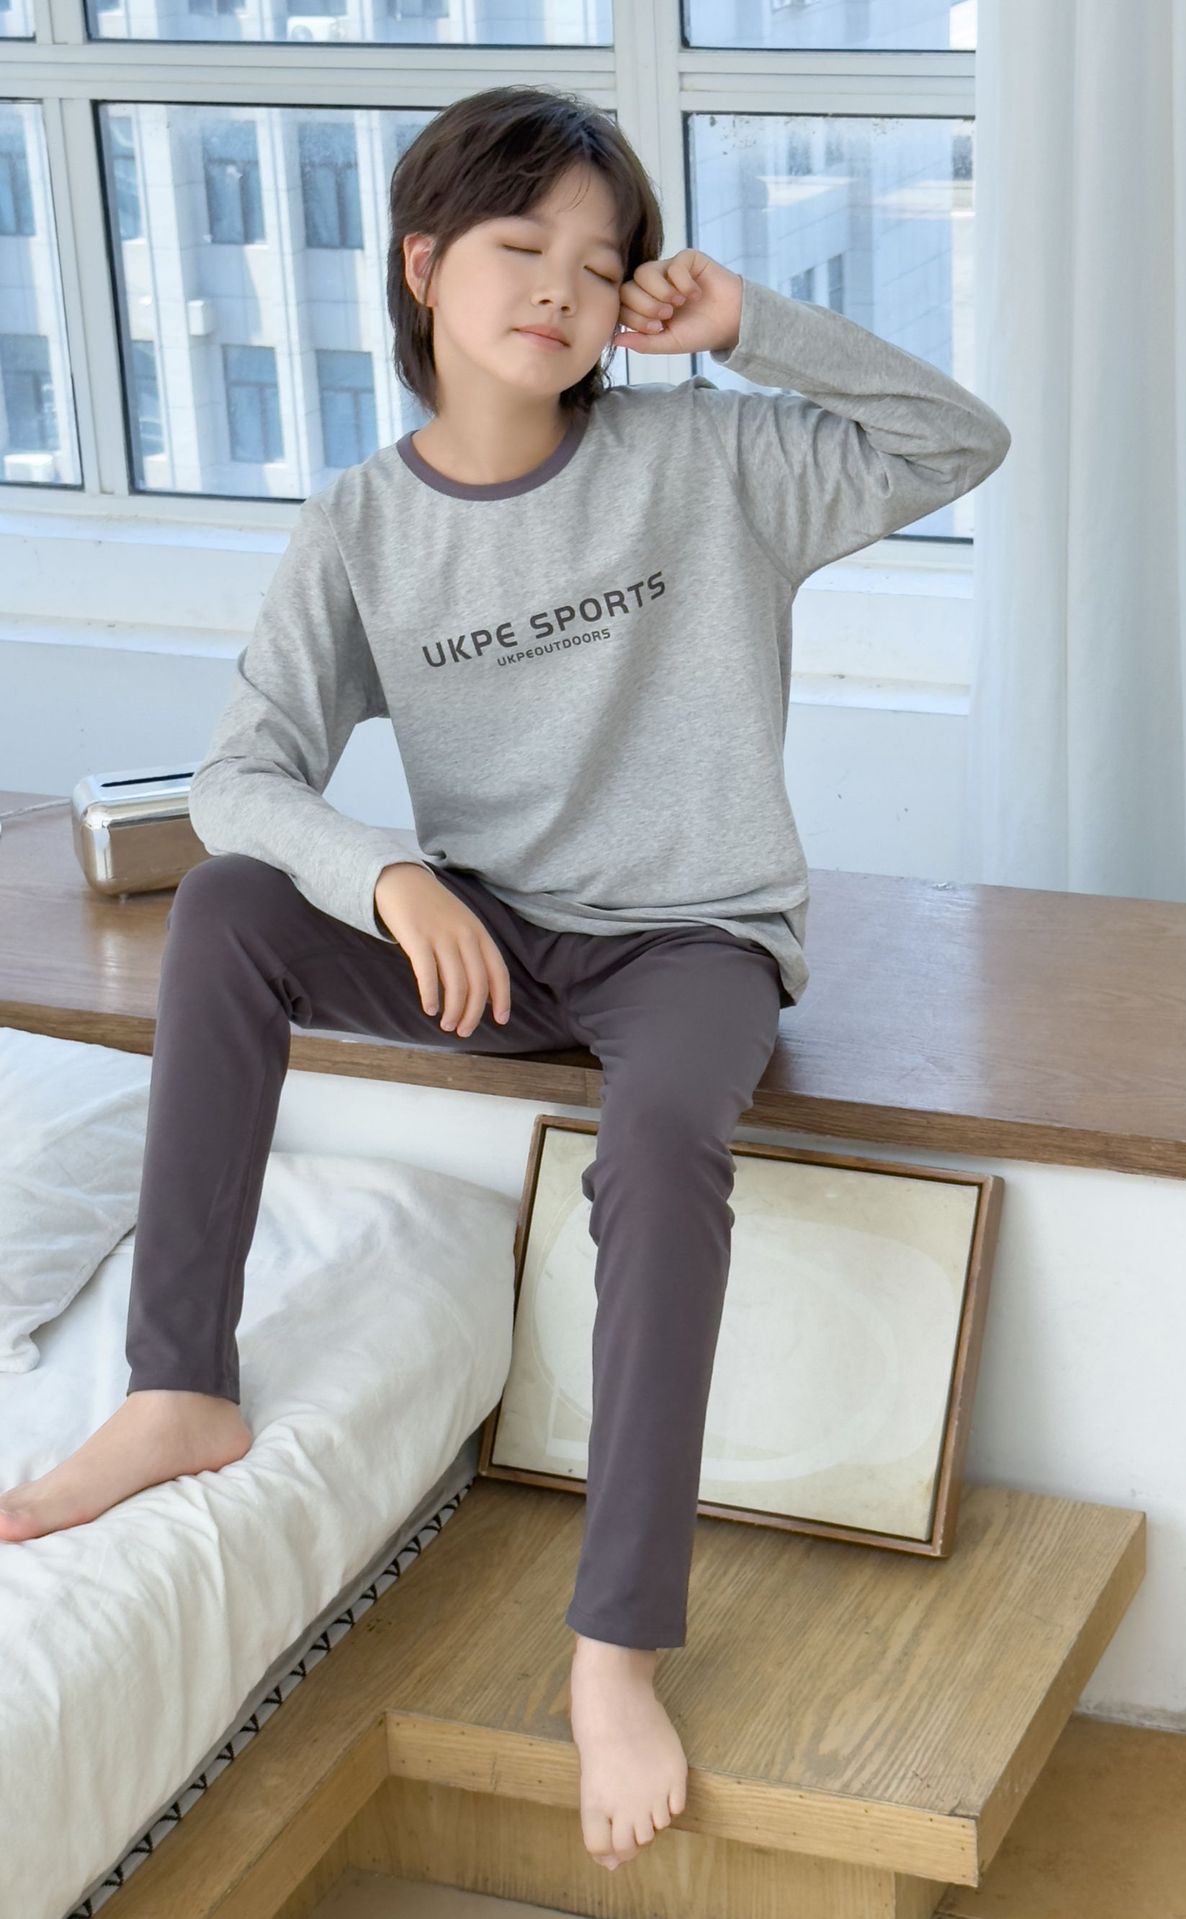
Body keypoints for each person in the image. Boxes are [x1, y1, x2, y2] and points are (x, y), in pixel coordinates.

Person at [0, 83, 1010, 1872]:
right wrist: (388, 875)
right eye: (520, 242)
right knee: (229, 907)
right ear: (422, 265)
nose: (561, 284)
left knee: (665, 1139)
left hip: (693, 940)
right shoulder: (361, 527)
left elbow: (958, 442)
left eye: (602, 262)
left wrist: (750, 326)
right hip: (488, 934)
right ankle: (179, 1388)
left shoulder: (707, 462)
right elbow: (239, 778)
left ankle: (614, 1648)